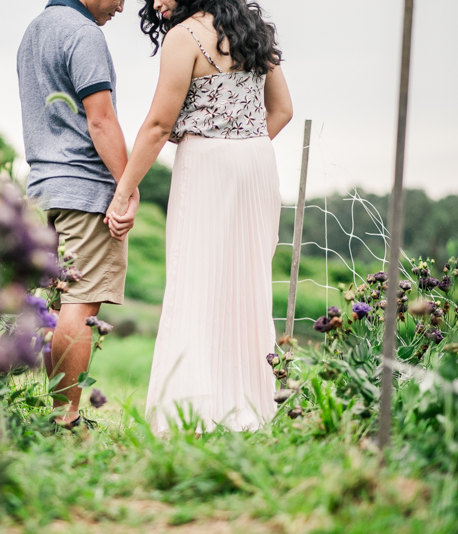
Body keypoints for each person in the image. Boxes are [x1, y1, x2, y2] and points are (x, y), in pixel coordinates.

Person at [104, 0, 293, 432]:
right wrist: (240, 139)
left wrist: (124, 190)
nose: (155, 3)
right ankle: (252, 406)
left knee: (195, 280)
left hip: (207, 165)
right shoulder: (255, 29)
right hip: (257, 164)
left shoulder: (183, 37)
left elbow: (156, 126)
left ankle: (190, 410)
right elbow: (282, 111)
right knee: (248, 285)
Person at [17, 0, 137, 429]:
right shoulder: (85, 34)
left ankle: (54, 415)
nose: (123, 5)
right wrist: (127, 186)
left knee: (54, 303)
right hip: (84, 187)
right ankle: (65, 420)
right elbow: (100, 120)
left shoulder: (34, 31)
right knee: (79, 301)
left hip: (43, 188)